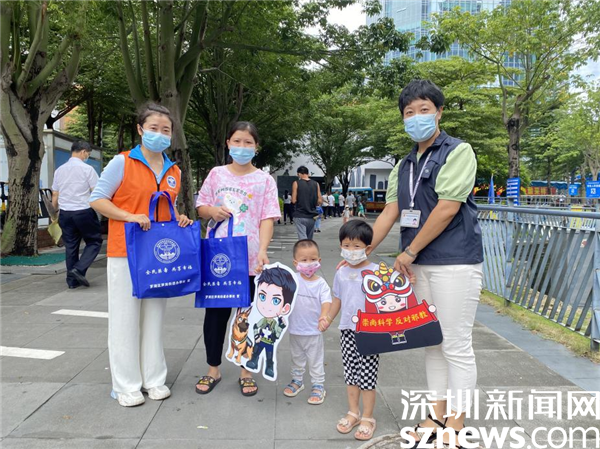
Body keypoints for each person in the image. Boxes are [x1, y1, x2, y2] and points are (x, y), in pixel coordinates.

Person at [368, 80, 483, 448]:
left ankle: (456, 422)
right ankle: (435, 415)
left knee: (456, 345)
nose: (416, 117)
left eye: (424, 110)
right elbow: (391, 210)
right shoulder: (403, 165)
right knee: (432, 342)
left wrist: (409, 251)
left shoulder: (458, 151)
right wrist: (360, 252)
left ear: (439, 112)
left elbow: (448, 208)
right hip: (417, 265)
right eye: (409, 112)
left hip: (454, 261)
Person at [90, 103, 193, 407]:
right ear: (140, 129)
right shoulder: (122, 162)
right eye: (153, 128)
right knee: (125, 318)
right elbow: (97, 199)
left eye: (166, 130)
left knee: (154, 318)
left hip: (159, 255)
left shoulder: (173, 170)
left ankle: (154, 379)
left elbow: (167, 207)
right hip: (125, 251)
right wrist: (129, 216)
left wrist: (179, 218)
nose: (160, 134)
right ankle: (125, 385)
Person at [195, 121, 281, 397]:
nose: (242, 147)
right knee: (215, 315)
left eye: (248, 142)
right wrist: (212, 211)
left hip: (251, 259)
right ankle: (213, 368)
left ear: (256, 147)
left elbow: (267, 218)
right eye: (237, 141)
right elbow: (201, 205)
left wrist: (263, 250)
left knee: (248, 316)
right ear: (228, 143)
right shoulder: (216, 174)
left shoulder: (265, 180)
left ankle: (246, 370)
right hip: (219, 259)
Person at [321, 220, 379, 441]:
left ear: (368, 248)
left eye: (356, 246)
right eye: (346, 245)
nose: (351, 250)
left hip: (370, 333)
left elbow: (391, 298)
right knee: (351, 374)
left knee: (367, 376)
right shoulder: (341, 272)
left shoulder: (377, 272)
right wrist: (328, 318)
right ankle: (353, 412)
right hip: (347, 330)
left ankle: (368, 417)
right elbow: (337, 299)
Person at [284, 239, 331, 405]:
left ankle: (318, 385)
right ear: (295, 262)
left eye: (313, 259)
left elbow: (326, 301)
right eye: (304, 260)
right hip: (295, 329)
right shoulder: (292, 280)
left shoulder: (321, 283)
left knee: (315, 359)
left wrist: (324, 316)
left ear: (319, 260)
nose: (308, 263)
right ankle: (297, 381)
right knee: (296, 358)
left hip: (313, 331)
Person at [51, 141, 103, 289]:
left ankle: (72, 282)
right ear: (83, 152)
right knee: (94, 241)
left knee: (71, 246)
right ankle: (78, 270)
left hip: (65, 213)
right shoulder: (87, 169)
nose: (87, 156)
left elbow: (55, 194)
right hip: (83, 211)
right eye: (88, 154)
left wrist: (54, 214)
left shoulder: (59, 170)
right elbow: (96, 191)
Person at [292, 166, 322, 240]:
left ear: (299, 174)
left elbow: (293, 200)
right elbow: (319, 201)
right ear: (307, 174)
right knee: (309, 239)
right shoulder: (316, 184)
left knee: (302, 238)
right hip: (312, 215)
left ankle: (304, 247)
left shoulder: (296, 183)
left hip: (300, 214)